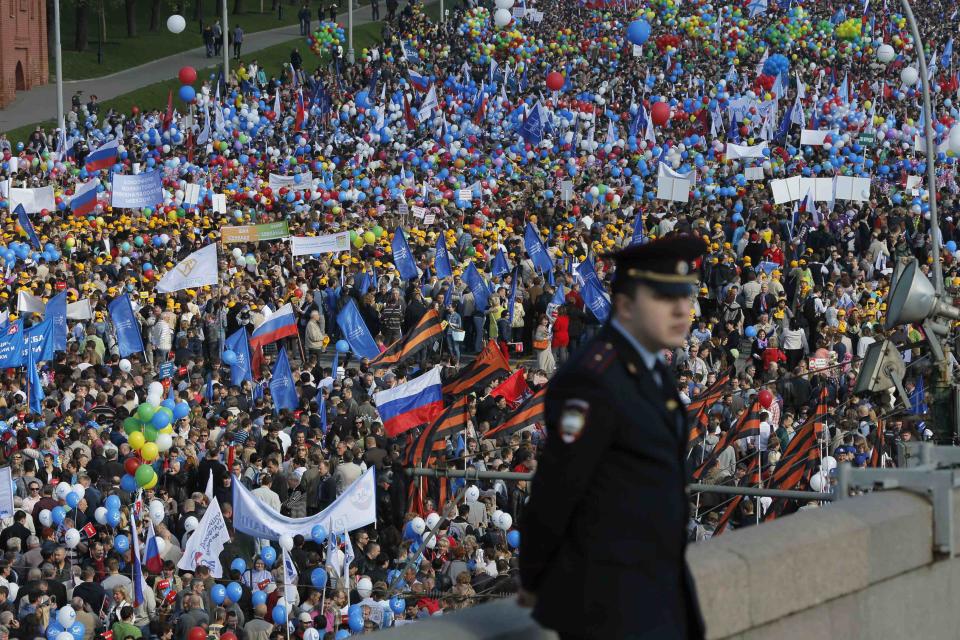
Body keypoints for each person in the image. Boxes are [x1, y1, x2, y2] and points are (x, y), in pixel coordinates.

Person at [519, 235, 707, 639]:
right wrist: (536, 578)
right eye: (663, 298)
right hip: (610, 605)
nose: (682, 310)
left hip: (659, 592)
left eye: (686, 297)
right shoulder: (593, 380)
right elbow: (557, 488)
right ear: (624, 305)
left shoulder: (653, 371)